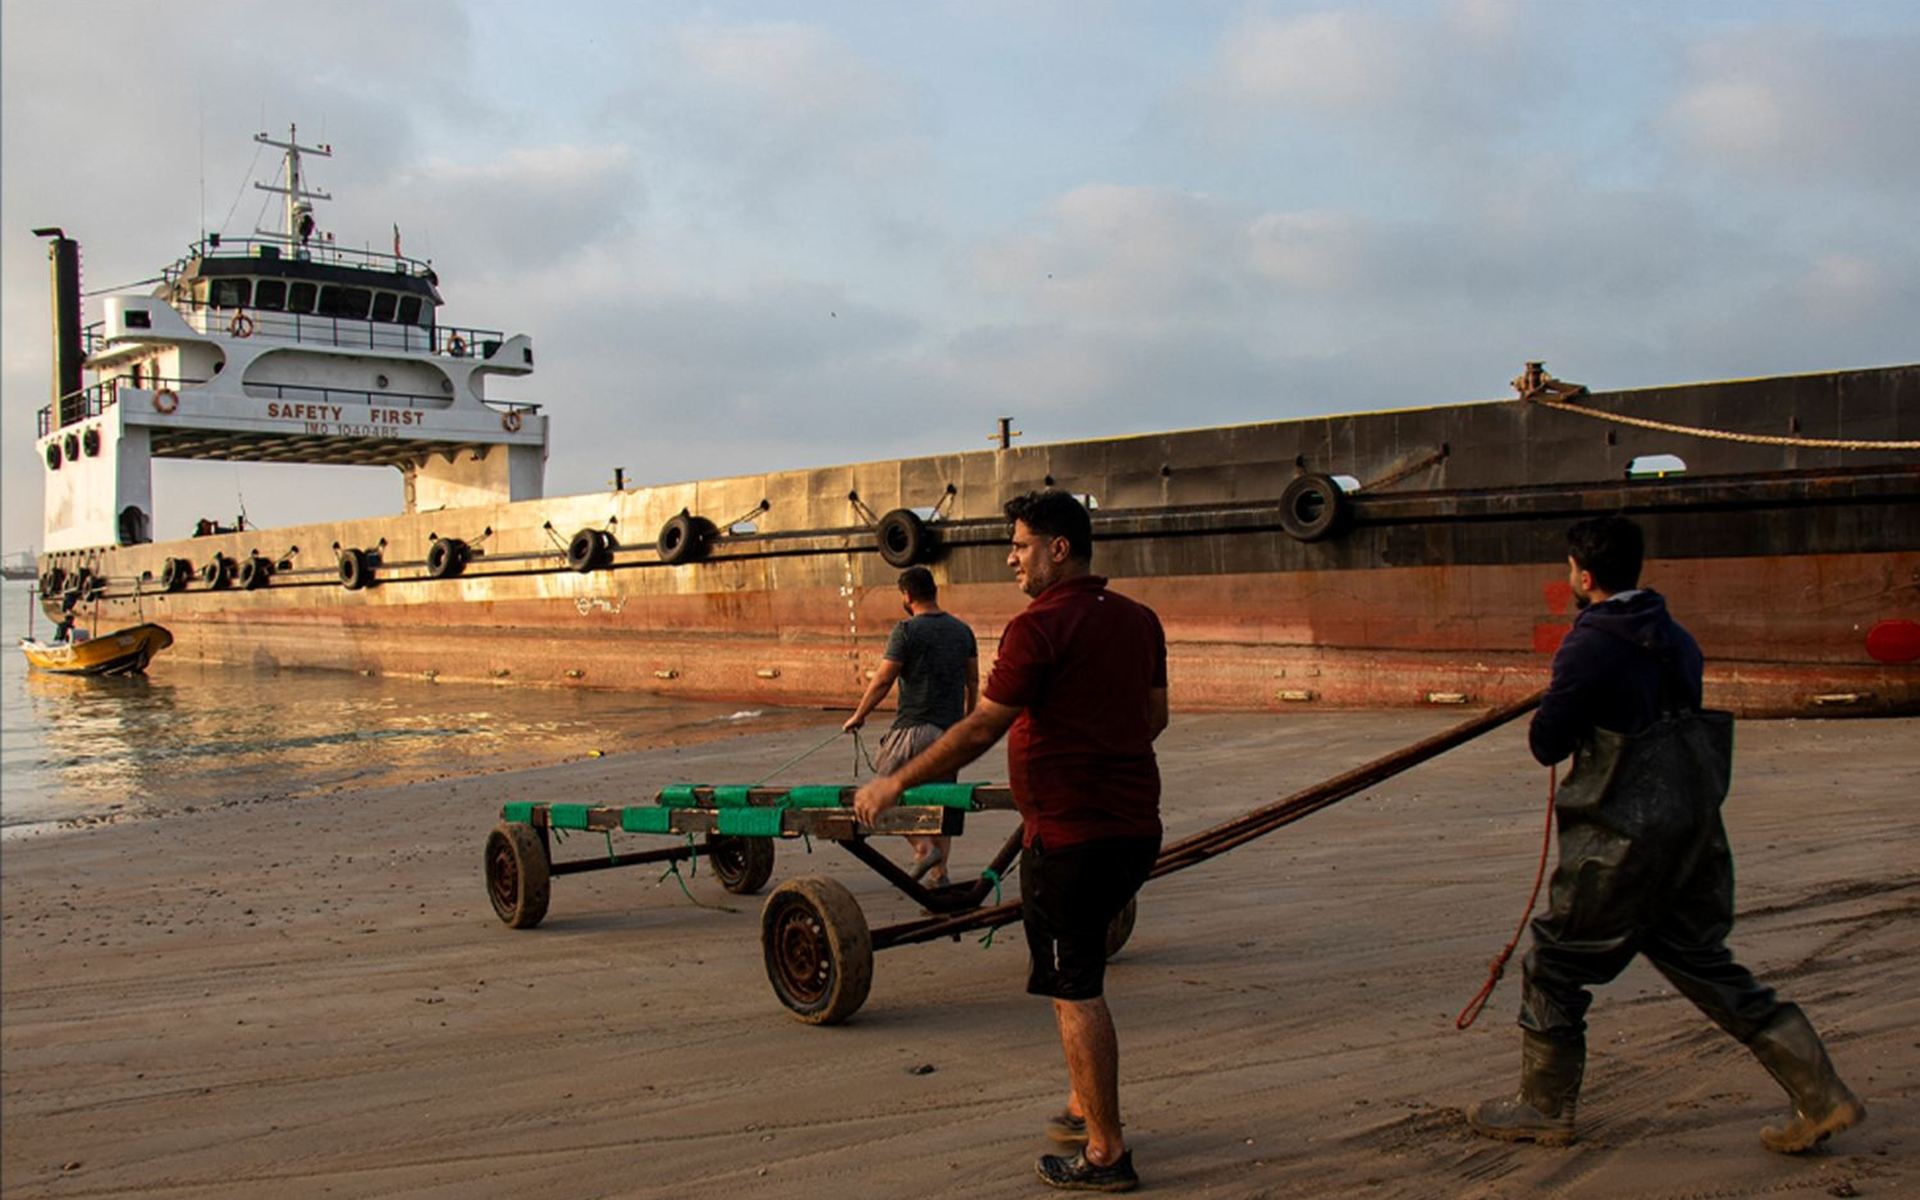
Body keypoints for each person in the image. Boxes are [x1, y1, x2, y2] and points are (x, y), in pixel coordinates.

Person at [1469, 515, 1866, 1153]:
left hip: (1622, 841)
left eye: (1570, 568)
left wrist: (1559, 702)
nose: (1568, 577)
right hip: (1691, 833)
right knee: (1705, 963)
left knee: (1555, 963)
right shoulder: (1678, 639)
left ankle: (1543, 1108)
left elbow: (1549, 745)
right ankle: (1821, 1095)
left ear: (1585, 576)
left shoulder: (1588, 643)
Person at [854, 490, 1167, 1193]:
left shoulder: (1039, 626)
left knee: (1074, 987)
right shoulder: (1140, 620)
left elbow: (980, 728)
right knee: (1083, 966)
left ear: (1059, 548)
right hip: (1135, 830)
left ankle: (1107, 1152)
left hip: (1069, 835)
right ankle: (1085, 1100)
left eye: (1021, 545)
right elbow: (1156, 717)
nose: (1010, 557)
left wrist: (893, 784)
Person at [842, 565, 979, 885]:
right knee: (939, 803)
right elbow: (972, 680)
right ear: (934, 590)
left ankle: (921, 848)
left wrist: (859, 715)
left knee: (879, 793)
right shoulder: (963, 630)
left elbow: (883, 679)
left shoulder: (906, 631)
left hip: (914, 729)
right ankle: (940, 875)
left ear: (906, 595)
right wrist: (967, 721)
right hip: (951, 733)